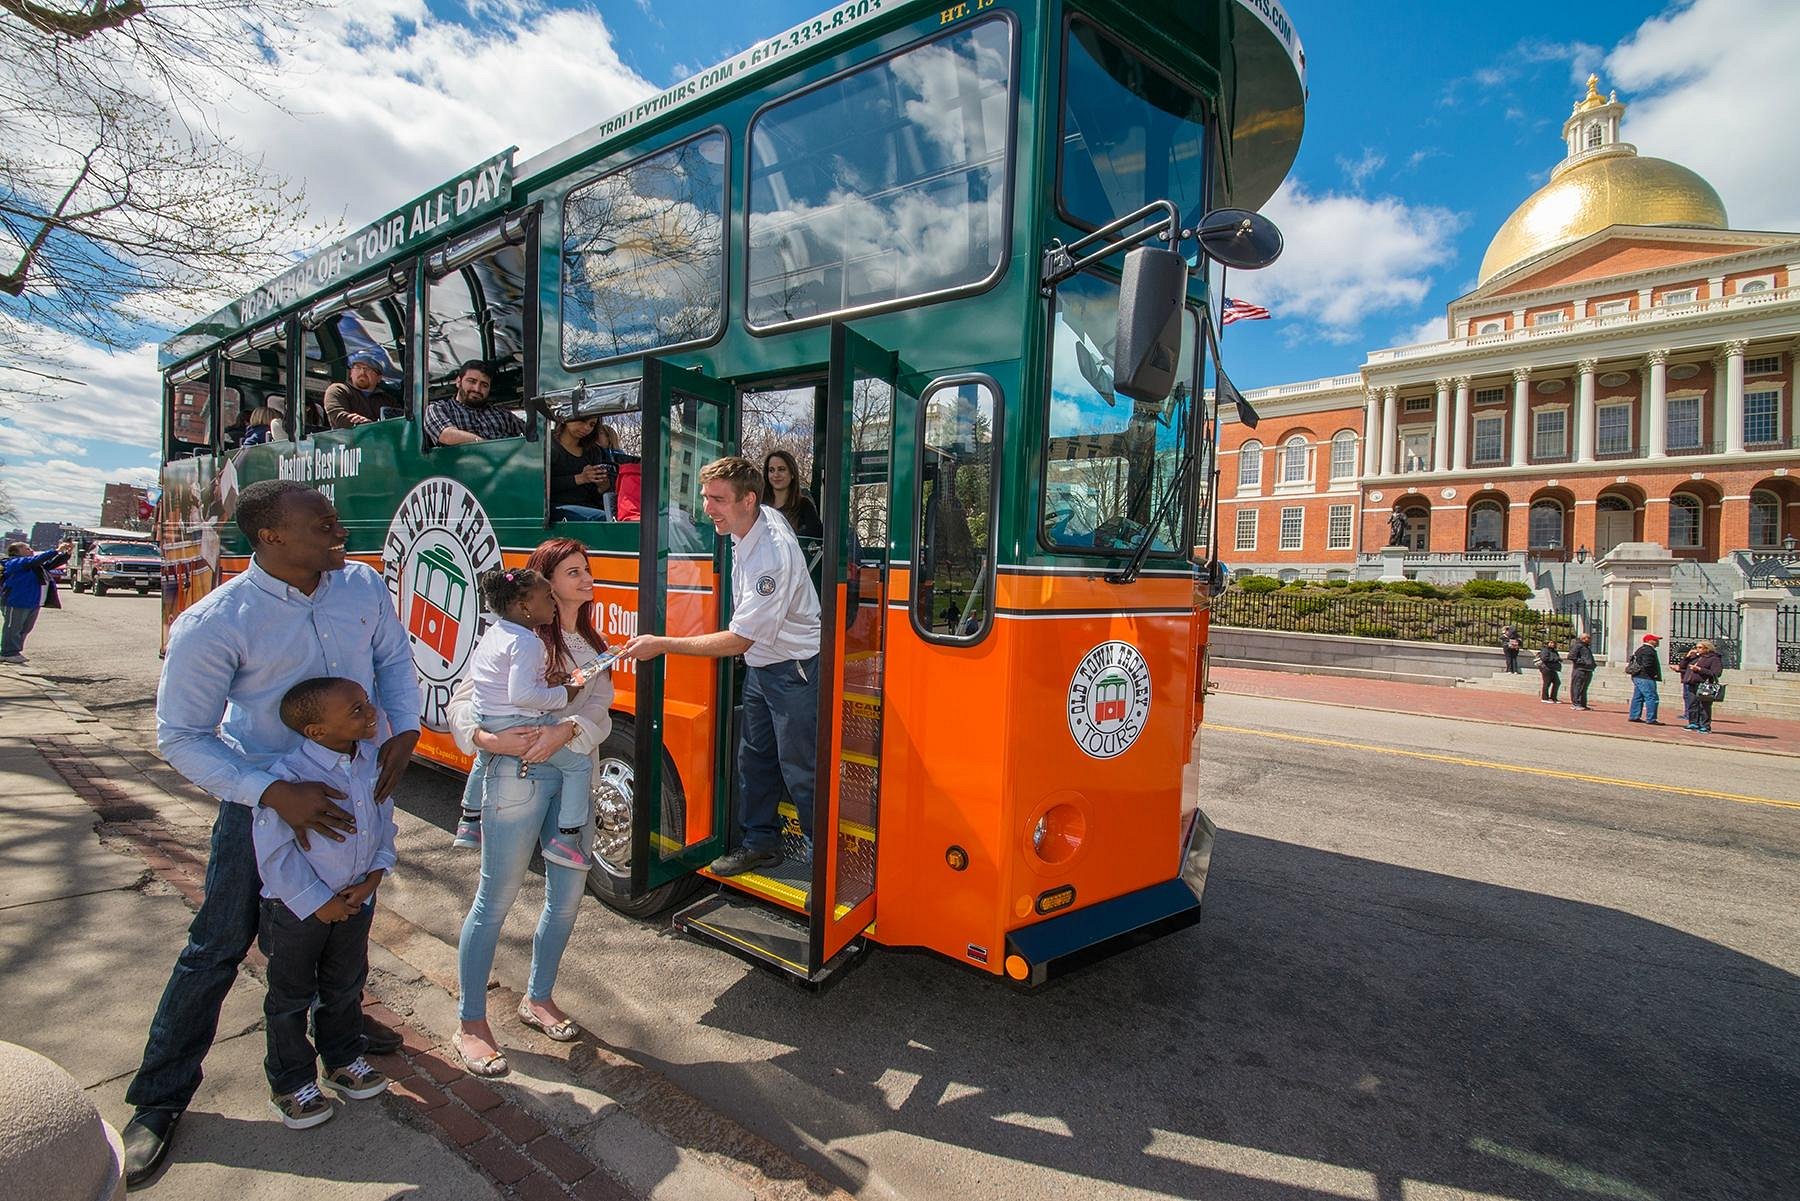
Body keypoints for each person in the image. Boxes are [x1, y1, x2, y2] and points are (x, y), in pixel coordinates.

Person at [120, 479, 420, 1187]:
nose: (338, 528)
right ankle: (159, 1097)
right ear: (271, 537)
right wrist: (271, 792)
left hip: (354, 795)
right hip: (264, 810)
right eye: (320, 522)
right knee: (218, 945)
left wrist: (403, 726)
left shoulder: (363, 588)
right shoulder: (217, 621)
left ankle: (336, 1032)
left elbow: (393, 660)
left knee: (345, 928)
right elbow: (181, 736)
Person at [446, 538, 615, 1077]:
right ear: (544, 584)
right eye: (574, 572)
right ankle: (471, 1023)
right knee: (493, 901)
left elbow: (603, 711)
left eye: (587, 570)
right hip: (512, 775)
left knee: (565, 902)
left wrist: (570, 729)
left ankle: (538, 999)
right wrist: (486, 740)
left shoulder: (591, 644)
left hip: (572, 777)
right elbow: (463, 701)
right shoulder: (514, 636)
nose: (587, 579)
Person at [621, 456, 821, 876]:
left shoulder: (773, 553)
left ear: (749, 499)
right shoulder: (750, 522)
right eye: (705, 497)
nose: (707, 508)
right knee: (754, 760)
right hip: (764, 666)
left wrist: (662, 644)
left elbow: (739, 639)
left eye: (718, 499)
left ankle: (822, 864)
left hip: (792, 670)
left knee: (801, 768)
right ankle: (760, 844)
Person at [253, 678, 397, 1129]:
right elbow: (274, 854)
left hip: (356, 902)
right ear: (316, 731)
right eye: (355, 710)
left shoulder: (372, 762)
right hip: (296, 913)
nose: (369, 712)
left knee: (345, 985)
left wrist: (374, 876)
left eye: (366, 703)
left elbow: (384, 824)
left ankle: (342, 1059)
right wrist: (317, 902)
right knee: (290, 998)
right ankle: (291, 1082)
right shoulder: (289, 777)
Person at [455, 567, 592, 869]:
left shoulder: (497, 632)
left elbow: (495, 681)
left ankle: (469, 820)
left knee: (484, 757)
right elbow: (521, 696)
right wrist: (565, 693)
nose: (554, 601)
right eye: (547, 596)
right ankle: (567, 838)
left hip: (487, 716)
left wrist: (546, 681)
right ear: (524, 606)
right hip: (516, 722)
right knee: (579, 766)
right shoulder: (527, 642)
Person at [2, 539, 71, 663]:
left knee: (25, 628)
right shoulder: (14, 562)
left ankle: (15, 651)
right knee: (13, 627)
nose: (31, 550)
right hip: (16, 600)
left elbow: (50, 564)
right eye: (27, 549)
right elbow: (35, 560)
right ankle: (8, 652)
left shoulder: (34, 565)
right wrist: (56, 550)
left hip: (33, 601)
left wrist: (65, 554)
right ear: (16, 552)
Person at [424, 360, 522, 445]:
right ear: (458, 382)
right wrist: (487, 446)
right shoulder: (439, 409)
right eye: (472, 381)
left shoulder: (504, 416)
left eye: (484, 385)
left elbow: (532, 435)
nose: (477, 389)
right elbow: (446, 435)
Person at [549, 414, 613, 521]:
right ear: (566, 417)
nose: (587, 428)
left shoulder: (593, 451)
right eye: (582, 421)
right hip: (553, 507)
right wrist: (580, 478)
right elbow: (538, 486)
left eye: (592, 424)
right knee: (602, 518)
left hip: (587, 506)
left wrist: (602, 486)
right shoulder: (546, 444)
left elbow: (593, 494)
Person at [762, 449, 823, 540]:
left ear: (792, 474)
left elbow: (816, 537)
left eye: (781, 469)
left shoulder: (804, 505)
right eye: (771, 470)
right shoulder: (759, 504)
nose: (776, 474)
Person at [323, 351, 394, 428]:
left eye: (369, 369)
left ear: (379, 378)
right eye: (358, 367)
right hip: (347, 439)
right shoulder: (339, 389)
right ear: (351, 373)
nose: (362, 372)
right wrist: (369, 425)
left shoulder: (388, 400)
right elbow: (339, 419)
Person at [1679, 639, 1724, 733]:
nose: (1697, 649)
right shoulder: (1695, 657)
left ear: (1707, 649)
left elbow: (1716, 673)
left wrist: (1699, 669)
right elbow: (1682, 666)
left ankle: (1705, 725)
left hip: (1704, 685)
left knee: (1704, 706)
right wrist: (1687, 657)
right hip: (1691, 683)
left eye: (1700, 647)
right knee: (1692, 704)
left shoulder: (1713, 659)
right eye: (1697, 647)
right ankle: (1693, 723)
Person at [1625, 633, 1665, 725]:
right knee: (1652, 697)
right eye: (1655, 640)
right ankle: (1651, 718)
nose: (1657, 642)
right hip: (1646, 677)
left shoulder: (1641, 649)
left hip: (1639, 676)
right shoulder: (1648, 650)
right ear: (1648, 640)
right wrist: (1654, 675)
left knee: (1638, 697)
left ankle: (1634, 715)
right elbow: (1648, 665)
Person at [1568, 632, 1596, 711]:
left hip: (1588, 670)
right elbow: (1571, 656)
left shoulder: (1586, 647)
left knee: (1584, 688)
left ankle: (1583, 704)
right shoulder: (1578, 646)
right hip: (1580, 670)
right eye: (1588, 638)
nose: (1589, 639)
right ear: (1583, 639)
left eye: (1589, 638)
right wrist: (1583, 662)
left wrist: (1593, 664)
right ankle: (1576, 703)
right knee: (1577, 686)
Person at [1536, 638, 1562, 703]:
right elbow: (1544, 658)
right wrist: (1555, 659)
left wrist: (1559, 659)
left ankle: (1553, 697)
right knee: (1547, 683)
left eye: (1553, 643)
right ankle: (1545, 698)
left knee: (1557, 682)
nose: (1552, 644)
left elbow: (1556, 657)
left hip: (1553, 669)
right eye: (1550, 643)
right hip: (1546, 668)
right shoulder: (1545, 650)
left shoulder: (1554, 651)